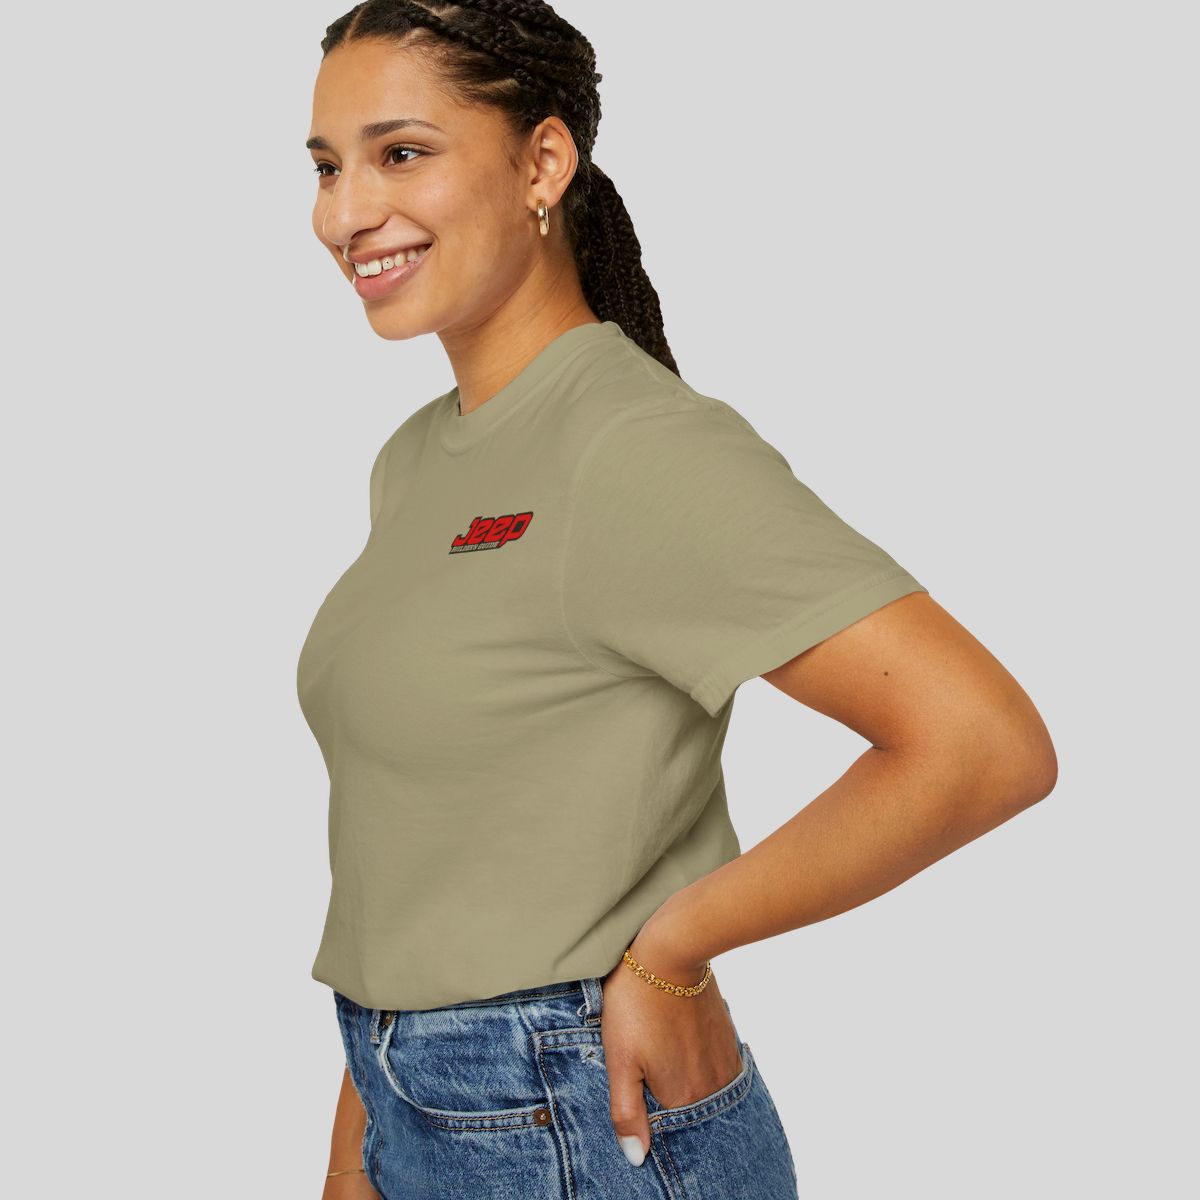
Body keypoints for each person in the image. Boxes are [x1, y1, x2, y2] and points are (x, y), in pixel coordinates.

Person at [297, 3, 1058, 1198]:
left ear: (544, 162)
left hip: (580, 1117)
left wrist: (674, 947)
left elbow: (982, 745)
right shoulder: (418, 459)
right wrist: (360, 1149)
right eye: (327, 167)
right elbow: (423, 854)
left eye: (401, 153)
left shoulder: (633, 445)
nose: (346, 213)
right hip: (411, 1101)